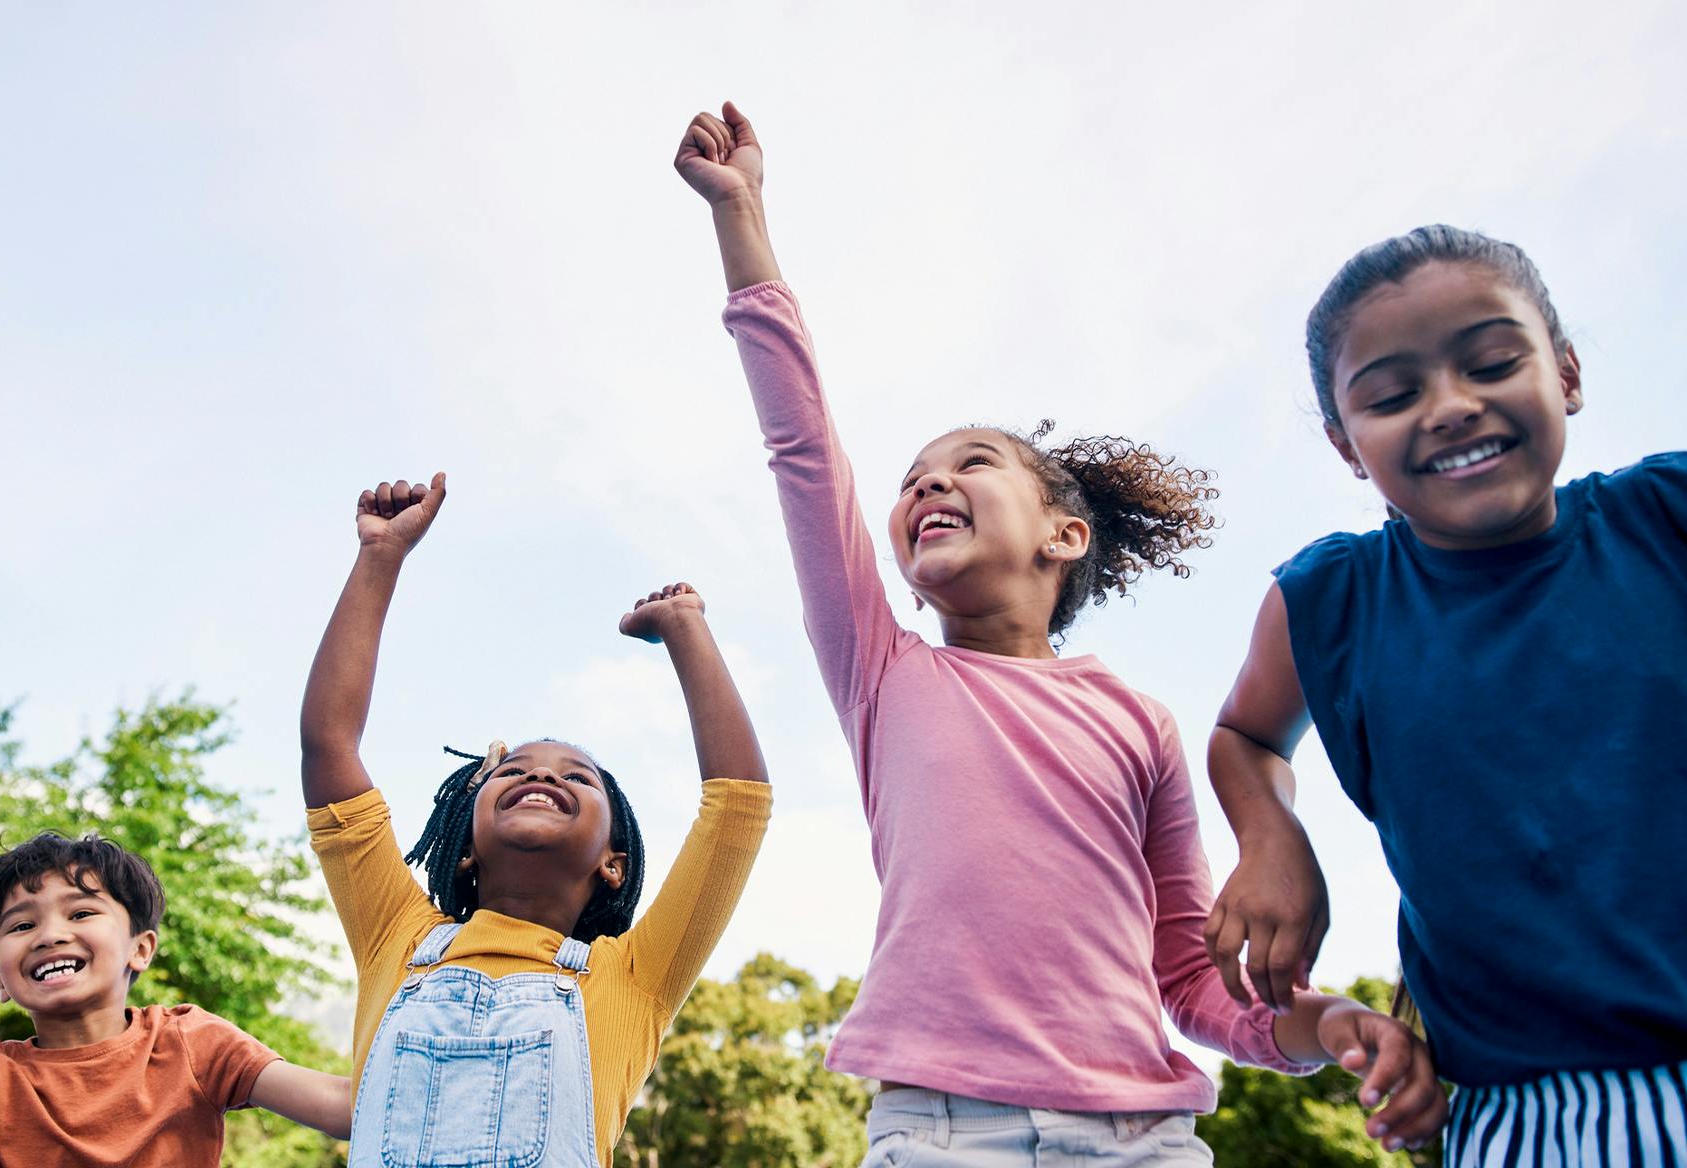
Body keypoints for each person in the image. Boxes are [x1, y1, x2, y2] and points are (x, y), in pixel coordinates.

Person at [675, 102, 1443, 1164]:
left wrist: (1322, 1027)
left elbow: (1190, 978)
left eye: (972, 462)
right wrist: (742, 219)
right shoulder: (881, 671)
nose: (930, 480)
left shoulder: (1139, 722)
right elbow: (804, 450)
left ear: (1064, 534)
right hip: (942, 1130)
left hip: (1143, 1136)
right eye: (912, 481)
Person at [1204, 224, 1687, 1163]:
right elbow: (1245, 735)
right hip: (1524, 1112)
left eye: (1493, 362)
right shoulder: (1331, 600)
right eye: (1394, 395)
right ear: (1349, 447)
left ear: (1569, 375)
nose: (1452, 406)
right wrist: (1271, 839)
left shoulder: (1666, 519)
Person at [299, 473, 772, 1167]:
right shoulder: (393, 939)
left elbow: (737, 806)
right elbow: (329, 747)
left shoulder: (636, 976)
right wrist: (379, 558)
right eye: (513, 770)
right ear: (464, 849)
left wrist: (685, 628)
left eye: (576, 776)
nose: (542, 773)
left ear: (613, 860)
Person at [0, 832, 350, 1167]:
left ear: (141, 948)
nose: (49, 934)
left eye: (81, 912)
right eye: (20, 925)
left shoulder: (191, 1042)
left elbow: (337, 1106)